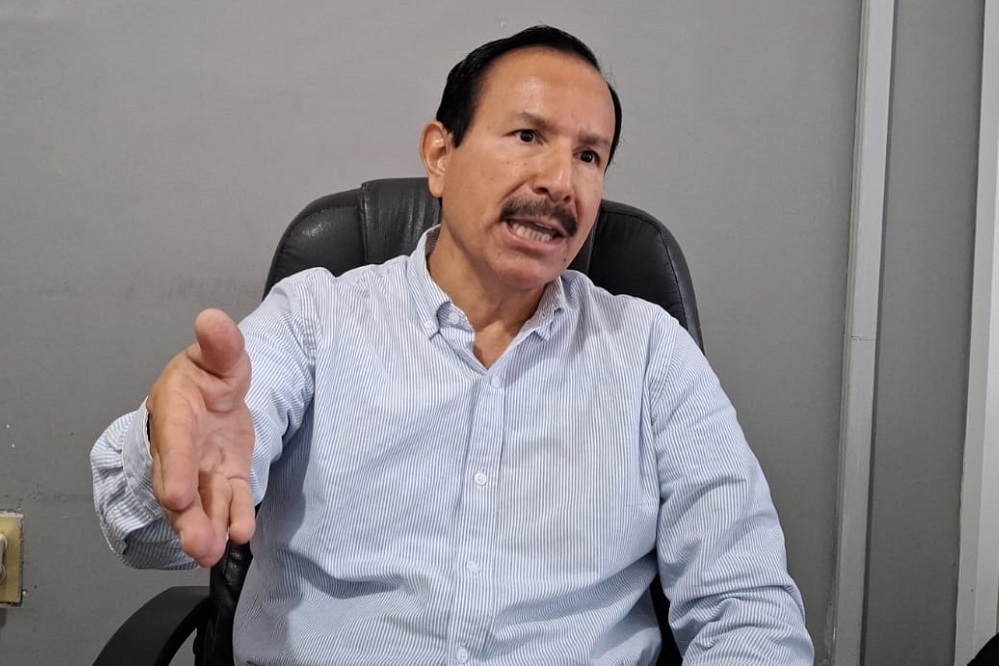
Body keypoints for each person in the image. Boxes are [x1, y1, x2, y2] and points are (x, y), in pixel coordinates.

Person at [91, 25, 814, 664]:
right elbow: (147, 533)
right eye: (527, 136)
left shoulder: (650, 351)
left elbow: (744, 601)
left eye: (589, 155)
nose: (560, 182)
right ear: (440, 154)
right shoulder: (315, 320)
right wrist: (172, 452)